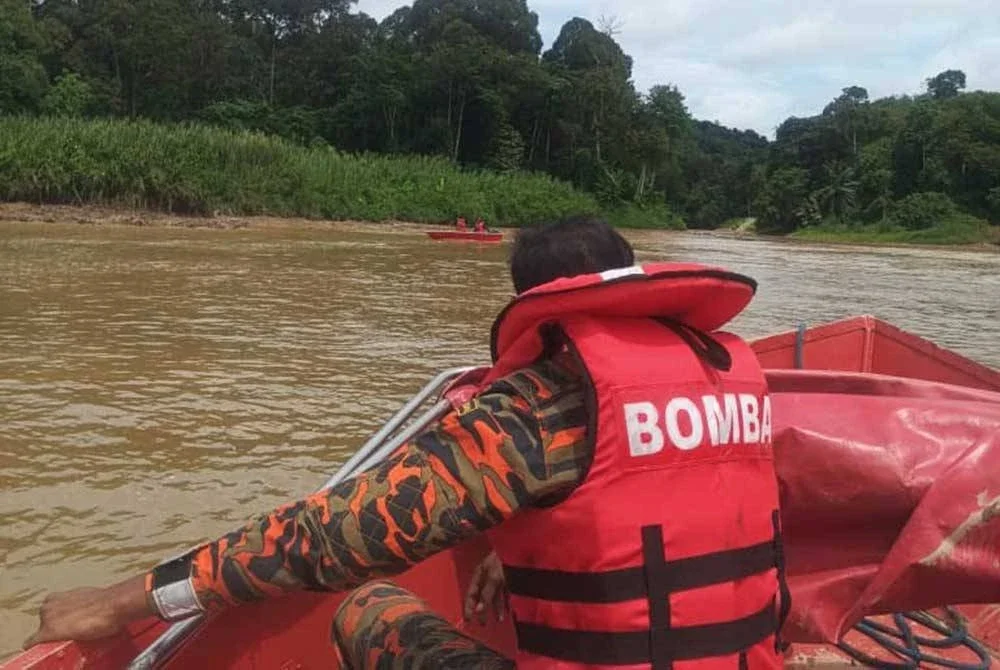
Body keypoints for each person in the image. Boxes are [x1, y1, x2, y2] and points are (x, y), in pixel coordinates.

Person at [25, 216, 787, 669]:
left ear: (540, 306)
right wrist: (520, 541)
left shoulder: (546, 402)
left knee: (367, 608)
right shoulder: (730, 376)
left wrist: (121, 601)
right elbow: (655, 502)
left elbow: (333, 537)